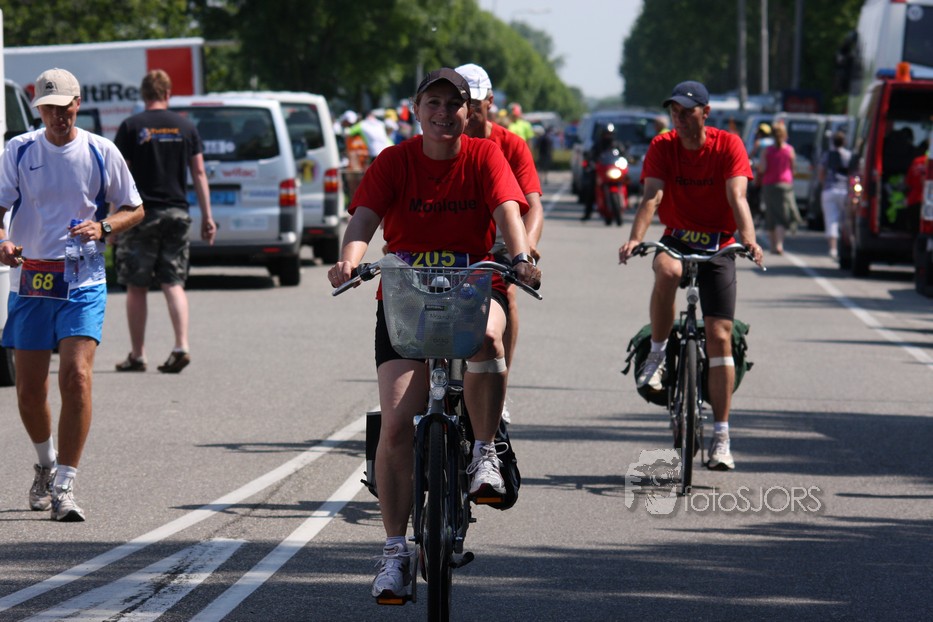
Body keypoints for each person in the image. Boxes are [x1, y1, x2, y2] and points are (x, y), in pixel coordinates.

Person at [327, 68, 540, 601]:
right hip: (406, 297)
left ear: (470, 111)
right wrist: (349, 260)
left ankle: (484, 451)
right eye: (433, 103)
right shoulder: (393, 161)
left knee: (490, 340)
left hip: (474, 287)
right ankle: (395, 553)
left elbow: (509, 212)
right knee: (397, 423)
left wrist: (521, 257)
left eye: (454, 104)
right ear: (416, 109)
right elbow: (363, 221)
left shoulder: (486, 156)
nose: (444, 113)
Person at [0, 68, 144, 521]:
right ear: (38, 109)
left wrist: (104, 227)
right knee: (29, 389)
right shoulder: (19, 149)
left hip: (83, 278)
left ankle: (65, 483)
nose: (58, 116)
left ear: (78, 104)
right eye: (49, 109)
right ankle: (45, 463)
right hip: (32, 280)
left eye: (65, 108)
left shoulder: (101, 150)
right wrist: (3, 241)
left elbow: (135, 208)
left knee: (76, 377)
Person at [618, 80, 764, 472]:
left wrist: (749, 239)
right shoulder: (662, 146)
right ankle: (658, 354)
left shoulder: (728, 145)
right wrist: (635, 239)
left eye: (687, 112)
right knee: (666, 270)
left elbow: (737, 196)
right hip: (678, 237)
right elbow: (652, 196)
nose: (679, 119)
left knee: (719, 336)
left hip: (719, 243)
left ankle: (722, 436)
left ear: (705, 113)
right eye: (674, 112)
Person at [455, 62, 544, 422]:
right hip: (452, 239)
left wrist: (527, 248)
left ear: (490, 102)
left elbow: (533, 204)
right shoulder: (441, 139)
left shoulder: (511, 144)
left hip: (499, 242)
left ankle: (497, 385)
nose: (468, 111)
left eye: (475, 104)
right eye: (461, 103)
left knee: (505, 293)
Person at [112, 70, 216, 374]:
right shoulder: (186, 127)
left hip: (139, 216)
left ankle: (137, 354)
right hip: (177, 213)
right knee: (173, 282)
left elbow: (120, 178)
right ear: (168, 94)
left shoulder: (131, 126)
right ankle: (181, 345)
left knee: (136, 286)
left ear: (144, 95)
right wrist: (208, 217)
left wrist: (112, 221)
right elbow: (199, 173)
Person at [758, 123, 802, 254]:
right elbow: (793, 169)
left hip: (769, 185)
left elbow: (762, 169)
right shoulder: (789, 150)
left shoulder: (767, 150)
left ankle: (772, 246)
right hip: (784, 184)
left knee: (770, 215)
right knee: (781, 216)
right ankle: (779, 244)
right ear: (785, 135)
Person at [818, 131, 852, 259]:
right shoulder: (848, 155)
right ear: (844, 142)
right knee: (845, 220)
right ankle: (846, 246)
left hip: (829, 189)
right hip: (845, 190)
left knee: (831, 219)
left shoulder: (827, 155)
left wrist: (824, 184)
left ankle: (833, 248)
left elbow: (821, 171)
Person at [581, 124, 624, 222]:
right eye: (606, 134)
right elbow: (591, 156)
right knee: (591, 188)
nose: (608, 136)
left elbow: (624, 154)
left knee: (627, 182)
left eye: (610, 134)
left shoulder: (617, 145)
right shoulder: (597, 145)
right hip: (601, 171)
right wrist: (590, 163)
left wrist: (628, 159)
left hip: (614, 170)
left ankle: (627, 201)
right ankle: (588, 212)